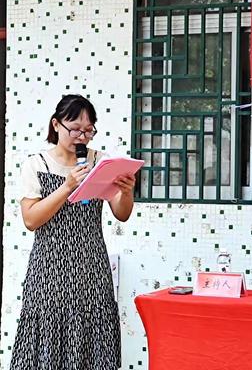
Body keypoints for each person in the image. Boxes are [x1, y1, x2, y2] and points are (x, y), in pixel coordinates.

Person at [10, 94, 136, 370]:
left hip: (92, 268)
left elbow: (121, 213)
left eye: (88, 130)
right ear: (56, 125)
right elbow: (31, 220)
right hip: (49, 270)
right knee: (47, 346)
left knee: (93, 346)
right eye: (75, 128)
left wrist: (126, 192)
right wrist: (67, 187)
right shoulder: (36, 164)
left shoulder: (100, 161)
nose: (82, 136)